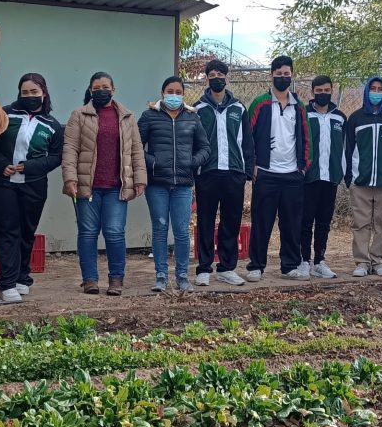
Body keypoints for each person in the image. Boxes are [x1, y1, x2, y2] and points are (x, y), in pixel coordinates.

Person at [62, 71, 147, 296]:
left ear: (113, 90)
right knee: (88, 233)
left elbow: (136, 151)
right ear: (90, 91)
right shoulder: (78, 115)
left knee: (115, 233)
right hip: (87, 186)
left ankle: (116, 279)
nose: (101, 91)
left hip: (116, 187)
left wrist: (140, 179)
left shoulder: (127, 117)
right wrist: (70, 178)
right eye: (96, 88)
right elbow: (70, 149)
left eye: (105, 87)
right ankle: (90, 279)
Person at [0, 73, 63, 302]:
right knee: (7, 231)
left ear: (43, 93)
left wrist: (29, 166)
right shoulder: (4, 114)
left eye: (34, 92)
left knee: (27, 232)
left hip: (34, 185)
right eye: (25, 92)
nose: (29, 96)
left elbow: (56, 157)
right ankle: (6, 284)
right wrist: (1, 165)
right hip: (3, 183)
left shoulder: (52, 125)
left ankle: (22, 277)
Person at [138, 76, 210, 293]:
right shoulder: (149, 116)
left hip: (183, 184)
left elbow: (205, 148)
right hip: (157, 184)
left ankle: (182, 276)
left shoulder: (192, 117)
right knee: (159, 230)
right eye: (170, 91)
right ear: (162, 93)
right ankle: (161, 276)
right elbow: (135, 147)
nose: (174, 95)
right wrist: (154, 162)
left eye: (178, 91)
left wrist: (192, 163)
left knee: (181, 231)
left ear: (183, 94)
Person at [246, 55, 311, 281]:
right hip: (266, 174)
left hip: (293, 175)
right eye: (279, 73)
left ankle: (289, 266)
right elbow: (248, 137)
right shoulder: (260, 103)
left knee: (292, 224)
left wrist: (303, 168)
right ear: (271, 75)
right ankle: (256, 266)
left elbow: (306, 138)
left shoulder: (299, 106)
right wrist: (253, 165)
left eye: (287, 74)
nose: (283, 77)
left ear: (291, 75)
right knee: (261, 223)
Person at [194, 59, 255, 287]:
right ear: (207, 78)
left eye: (220, 74)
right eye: (211, 74)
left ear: (226, 78)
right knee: (206, 221)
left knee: (231, 221)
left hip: (233, 173)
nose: (216, 77)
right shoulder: (197, 108)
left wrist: (246, 171)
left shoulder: (238, 108)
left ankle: (227, 268)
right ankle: (204, 268)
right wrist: (194, 169)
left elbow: (247, 142)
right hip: (207, 173)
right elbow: (193, 142)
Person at [346, 76, 382, 277]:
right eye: (373, 88)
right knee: (360, 222)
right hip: (360, 180)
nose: (376, 92)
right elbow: (348, 150)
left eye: (380, 89)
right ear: (366, 91)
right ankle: (362, 262)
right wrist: (349, 176)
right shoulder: (355, 118)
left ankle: (378, 261)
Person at [300, 75, 347, 279]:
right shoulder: (304, 114)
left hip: (331, 176)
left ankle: (320, 260)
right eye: (318, 91)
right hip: (309, 176)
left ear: (332, 91)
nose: (322, 94)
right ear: (312, 92)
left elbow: (345, 148)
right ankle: (303, 260)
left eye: (326, 90)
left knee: (324, 222)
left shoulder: (340, 117)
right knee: (305, 220)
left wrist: (342, 172)